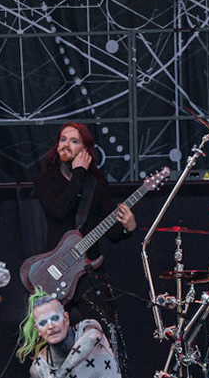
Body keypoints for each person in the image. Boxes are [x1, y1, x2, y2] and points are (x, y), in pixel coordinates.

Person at [31, 122, 137, 347]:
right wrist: (79, 172)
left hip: (89, 271)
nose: (66, 145)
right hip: (56, 271)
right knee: (53, 336)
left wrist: (128, 226)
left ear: (86, 150)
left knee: (107, 333)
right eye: (62, 139)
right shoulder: (45, 179)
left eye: (74, 141)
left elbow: (113, 234)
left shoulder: (96, 182)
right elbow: (59, 211)